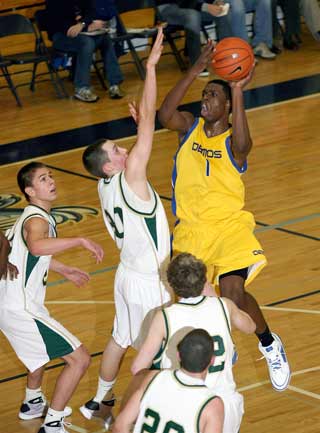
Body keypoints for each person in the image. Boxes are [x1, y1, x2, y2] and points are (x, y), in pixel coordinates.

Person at [157, 41, 291, 392]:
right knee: (192, 303)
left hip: (230, 228)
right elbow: (164, 115)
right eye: (204, 93)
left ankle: (267, 342)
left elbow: (245, 146)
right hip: (190, 232)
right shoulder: (188, 127)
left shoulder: (234, 142)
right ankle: (220, 345)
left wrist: (237, 88)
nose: (205, 99)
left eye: (212, 96)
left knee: (232, 292)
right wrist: (194, 69)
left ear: (227, 106)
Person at [80, 28, 171, 429]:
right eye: (117, 151)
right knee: (156, 353)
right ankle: (141, 415)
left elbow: (141, 135)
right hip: (150, 280)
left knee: (119, 339)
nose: (124, 150)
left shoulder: (103, 185)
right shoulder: (130, 175)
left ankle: (99, 400)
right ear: (111, 166)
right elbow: (151, 122)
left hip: (125, 274)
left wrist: (138, 135)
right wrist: (150, 68)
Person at [0, 162, 104, 433]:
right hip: (20, 307)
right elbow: (36, 246)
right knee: (80, 359)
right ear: (30, 190)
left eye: (51, 176)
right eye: (43, 179)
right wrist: (80, 240)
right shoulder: (36, 220)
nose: (51, 181)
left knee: (39, 353)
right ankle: (53, 423)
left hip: (10, 304)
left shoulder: (28, 215)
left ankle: (32, 403)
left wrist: (63, 268)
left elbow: (27, 254)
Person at [132, 253, 256, 433]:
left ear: (171, 284)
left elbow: (137, 368)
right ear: (205, 280)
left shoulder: (165, 317)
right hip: (224, 403)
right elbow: (250, 327)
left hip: (185, 404)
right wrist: (215, 297)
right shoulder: (224, 305)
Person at [114, 329, 224, 433]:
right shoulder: (212, 406)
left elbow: (120, 426)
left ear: (178, 355)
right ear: (212, 360)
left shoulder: (153, 377)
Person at [45, 0, 124, 102]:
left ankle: (114, 84)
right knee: (87, 43)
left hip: (81, 32)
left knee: (105, 39)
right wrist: (80, 26)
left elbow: (91, 11)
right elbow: (56, 22)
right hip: (61, 35)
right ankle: (81, 88)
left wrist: (83, 24)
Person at [156, 0, 233, 76]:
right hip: (169, 6)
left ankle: (227, 57)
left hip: (193, 5)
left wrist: (214, 1)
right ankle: (197, 64)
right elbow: (182, 2)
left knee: (223, 12)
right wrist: (205, 6)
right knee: (193, 16)